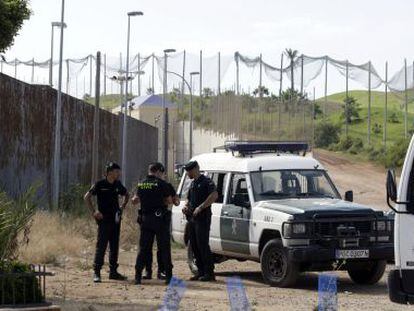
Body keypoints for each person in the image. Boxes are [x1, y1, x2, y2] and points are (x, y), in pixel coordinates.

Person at [84, 162, 129, 283]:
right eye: (116, 171)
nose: (118, 173)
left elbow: (126, 194)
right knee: (101, 246)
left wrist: (122, 207)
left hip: (115, 219)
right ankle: (97, 272)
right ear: (110, 172)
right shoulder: (100, 184)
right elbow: (86, 197)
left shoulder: (118, 184)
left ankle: (113, 272)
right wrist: (94, 212)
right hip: (104, 220)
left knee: (114, 246)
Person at [132, 162, 173, 285]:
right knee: (164, 248)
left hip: (145, 219)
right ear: (158, 171)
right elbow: (169, 201)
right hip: (160, 219)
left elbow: (135, 200)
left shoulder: (142, 184)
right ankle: (168, 276)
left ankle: (138, 276)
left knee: (143, 249)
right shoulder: (162, 184)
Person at [182, 161, 218, 282]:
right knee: (194, 245)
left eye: (190, 171)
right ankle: (201, 271)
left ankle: (209, 272)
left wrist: (201, 207)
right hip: (192, 218)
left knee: (202, 245)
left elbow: (214, 195)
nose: (188, 173)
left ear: (196, 169)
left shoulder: (206, 182)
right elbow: (189, 199)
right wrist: (186, 206)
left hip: (203, 218)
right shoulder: (193, 184)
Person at [143, 177, 180, 280]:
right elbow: (136, 198)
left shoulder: (166, 186)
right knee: (147, 246)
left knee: (162, 247)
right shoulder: (145, 184)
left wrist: (165, 200)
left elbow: (176, 201)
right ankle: (148, 271)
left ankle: (161, 271)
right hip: (148, 218)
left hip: (161, 219)